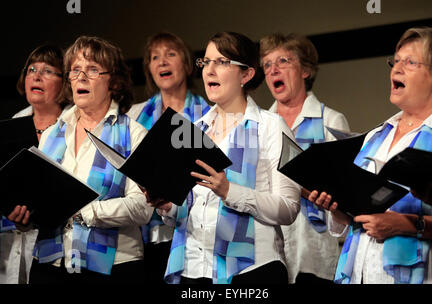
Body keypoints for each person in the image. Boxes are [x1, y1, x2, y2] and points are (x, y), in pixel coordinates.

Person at [150, 31, 300, 284]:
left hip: (251, 270)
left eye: (221, 62)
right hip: (194, 269)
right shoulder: (194, 130)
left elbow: (288, 209)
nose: (209, 70)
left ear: (246, 74)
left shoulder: (271, 126)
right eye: (206, 62)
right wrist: (167, 206)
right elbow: (191, 208)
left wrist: (230, 191)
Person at [308, 27, 432, 284]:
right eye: (395, 61)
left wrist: (408, 224)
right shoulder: (376, 136)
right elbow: (359, 212)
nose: (396, 69)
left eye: (410, 62)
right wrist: (337, 208)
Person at [8, 36, 152, 284]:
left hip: (112, 268)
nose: (81, 78)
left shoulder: (133, 134)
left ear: (114, 81)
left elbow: (143, 207)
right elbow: (40, 196)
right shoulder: (54, 131)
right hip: (51, 263)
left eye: (93, 70)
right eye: (75, 70)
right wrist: (26, 217)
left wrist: (84, 211)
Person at [259, 33, 350, 284]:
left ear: (305, 71)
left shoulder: (331, 121)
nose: (273, 70)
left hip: (313, 252)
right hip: (267, 252)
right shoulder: (258, 125)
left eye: (283, 61)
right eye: (267, 64)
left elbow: (344, 191)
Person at [127, 32, 210, 283]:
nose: (162, 62)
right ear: (149, 70)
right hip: (145, 236)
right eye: (155, 57)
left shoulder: (208, 115)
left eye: (170, 55)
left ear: (186, 65)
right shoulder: (134, 116)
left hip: (194, 233)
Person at [0, 44, 70, 284]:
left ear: (65, 82)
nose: (37, 76)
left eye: (48, 71)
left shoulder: (74, 126)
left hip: (59, 250)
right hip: (10, 243)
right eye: (31, 69)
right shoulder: (11, 126)